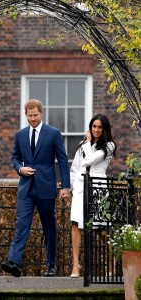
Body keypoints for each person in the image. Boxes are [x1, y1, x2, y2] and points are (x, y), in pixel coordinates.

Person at [1, 99, 70, 277]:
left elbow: (62, 160)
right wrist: (19, 168)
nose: (33, 119)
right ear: (26, 115)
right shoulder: (20, 135)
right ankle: (14, 262)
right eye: (30, 116)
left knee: (49, 227)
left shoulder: (53, 133)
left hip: (46, 188)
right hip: (26, 188)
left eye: (35, 115)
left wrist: (65, 186)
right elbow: (14, 158)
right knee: (22, 225)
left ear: (41, 113)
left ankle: (51, 265)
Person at [70, 114, 117, 278]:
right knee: (76, 224)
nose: (96, 130)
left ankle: (110, 265)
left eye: (99, 127)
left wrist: (89, 142)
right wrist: (72, 187)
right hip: (80, 187)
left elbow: (90, 160)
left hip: (97, 187)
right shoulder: (83, 144)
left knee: (102, 227)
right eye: (94, 126)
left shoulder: (109, 146)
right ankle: (76, 265)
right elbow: (76, 167)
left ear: (104, 129)